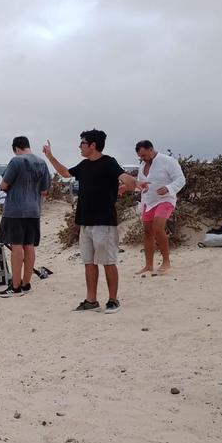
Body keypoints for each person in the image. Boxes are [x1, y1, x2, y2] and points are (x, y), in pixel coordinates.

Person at [43, 129, 136, 313]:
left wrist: (128, 183)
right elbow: (65, 173)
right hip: (85, 222)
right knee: (89, 262)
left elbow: (127, 179)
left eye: (82, 143)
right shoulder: (84, 165)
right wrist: (50, 156)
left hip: (104, 222)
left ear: (93, 145)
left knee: (108, 262)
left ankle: (113, 300)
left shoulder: (108, 162)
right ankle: (91, 300)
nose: (80, 147)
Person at [0, 136, 51, 298]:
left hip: (15, 210)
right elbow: (44, 191)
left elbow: (3, 185)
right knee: (29, 246)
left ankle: (15, 286)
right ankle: (26, 283)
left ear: (16, 149)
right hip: (34, 210)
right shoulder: (42, 163)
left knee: (16, 246)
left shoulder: (16, 161)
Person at [134, 140, 186, 274]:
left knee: (158, 227)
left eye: (144, 155)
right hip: (148, 201)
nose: (142, 159)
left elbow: (181, 179)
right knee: (147, 232)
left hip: (165, 200)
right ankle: (148, 265)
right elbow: (141, 183)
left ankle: (166, 261)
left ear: (151, 149)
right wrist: (130, 187)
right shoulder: (142, 165)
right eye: (140, 157)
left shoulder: (168, 161)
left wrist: (168, 188)